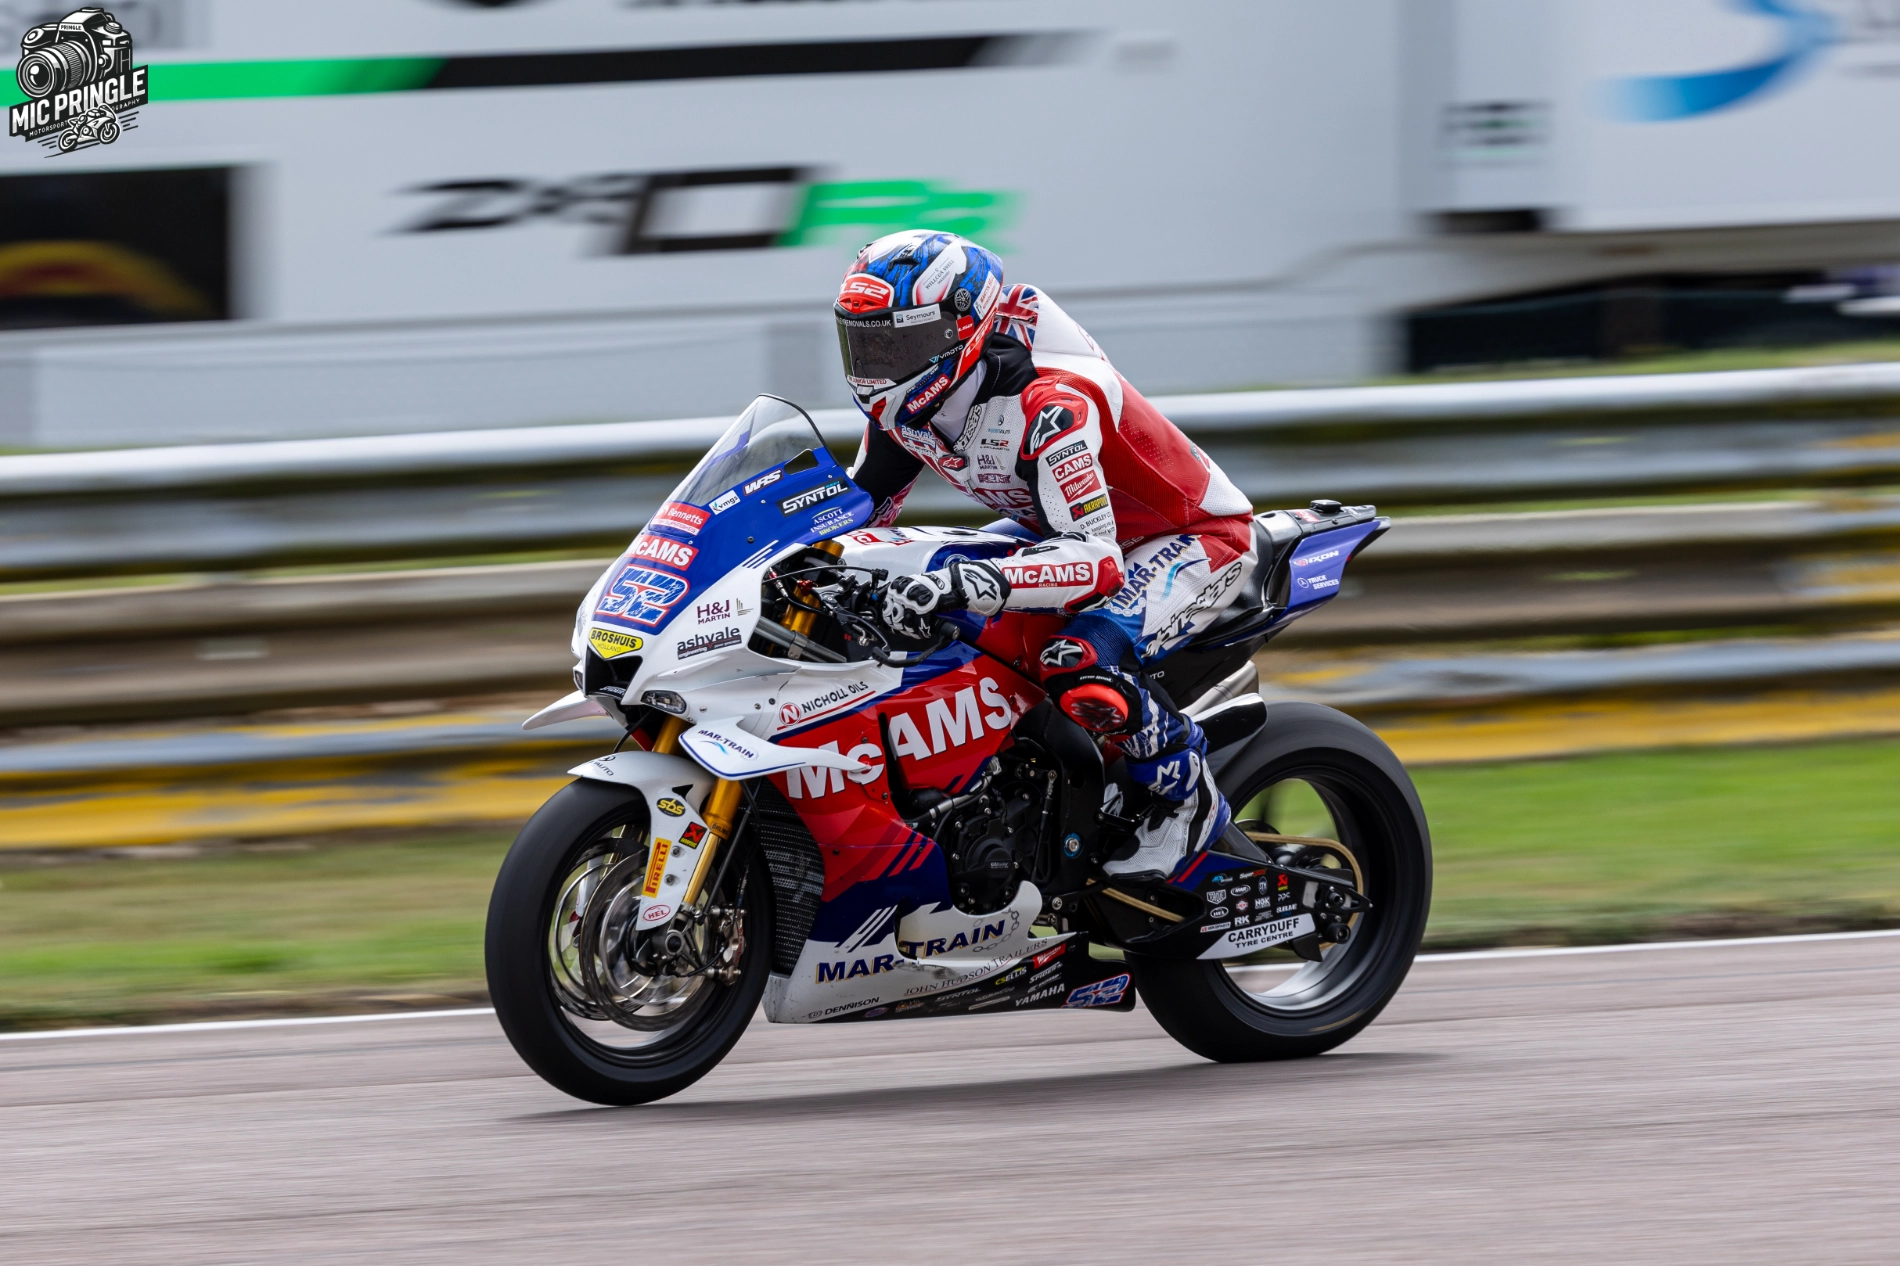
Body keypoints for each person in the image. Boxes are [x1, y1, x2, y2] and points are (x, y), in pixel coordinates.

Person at [835, 229, 1256, 879]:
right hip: (1060, 531)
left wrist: (975, 583)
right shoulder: (905, 406)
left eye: (898, 341)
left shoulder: (1048, 408)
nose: (878, 363)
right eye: (866, 341)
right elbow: (850, 518)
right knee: (913, 588)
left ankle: (1185, 798)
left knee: (1078, 658)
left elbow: (1095, 562)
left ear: (961, 327)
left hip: (1186, 539)